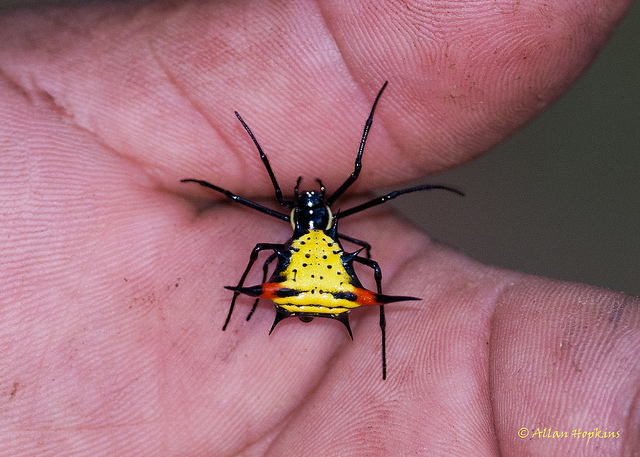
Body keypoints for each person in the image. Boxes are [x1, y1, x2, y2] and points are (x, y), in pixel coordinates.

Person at [0, 1, 637, 455]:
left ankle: (361, 332)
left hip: (308, 272)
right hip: (321, 270)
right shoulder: (331, 227)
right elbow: (341, 202)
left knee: (286, 249)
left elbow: (279, 229)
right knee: (357, 262)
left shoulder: (292, 224)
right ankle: (355, 327)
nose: (307, 200)